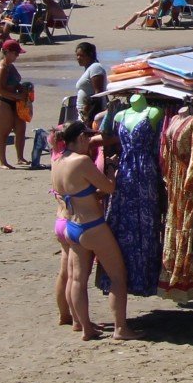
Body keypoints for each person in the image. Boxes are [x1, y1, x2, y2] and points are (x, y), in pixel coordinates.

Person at [50, 120, 131, 341]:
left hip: (71, 225)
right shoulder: (82, 161)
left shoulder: (57, 160)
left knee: (76, 279)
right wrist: (113, 169)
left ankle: (84, 326)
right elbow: (109, 187)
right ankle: (121, 328)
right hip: (91, 225)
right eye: (87, 138)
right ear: (81, 139)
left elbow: (75, 193)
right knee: (118, 276)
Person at [0, 38, 30, 168]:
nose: (17, 56)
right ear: (7, 52)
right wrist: (17, 95)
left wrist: (23, 88)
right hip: (2, 102)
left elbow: (14, 82)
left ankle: (20, 158)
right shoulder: (2, 67)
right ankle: (3, 162)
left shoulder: (10, 66)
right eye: (16, 53)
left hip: (15, 101)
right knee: (4, 133)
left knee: (21, 129)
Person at [73, 41, 107, 123]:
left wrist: (89, 115)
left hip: (90, 114)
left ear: (90, 55)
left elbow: (98, 93)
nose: (78, 58)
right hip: (83, 113)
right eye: (77, 55)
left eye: (81, 55)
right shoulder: (88, 69)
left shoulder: (95, 67)